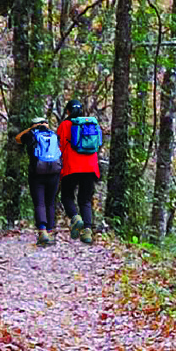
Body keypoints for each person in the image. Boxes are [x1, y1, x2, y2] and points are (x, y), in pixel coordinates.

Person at [57, 100, 105, 240]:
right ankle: (88, 232)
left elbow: (59, 146)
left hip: (72, 167)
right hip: (90, 167)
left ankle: (76, 218)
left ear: (67, 111)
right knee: (85, 200)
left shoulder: (65, 125)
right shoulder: (90, 125)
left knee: (67, 196)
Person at [21, 120, 62, 245]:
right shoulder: (54, 136)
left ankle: (42, 232)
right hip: (54, 172)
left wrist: (30, 129)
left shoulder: (31, 135)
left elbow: (19, 138)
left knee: (39, 202)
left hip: (37, 173)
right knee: (50, 202)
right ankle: (50, 232)